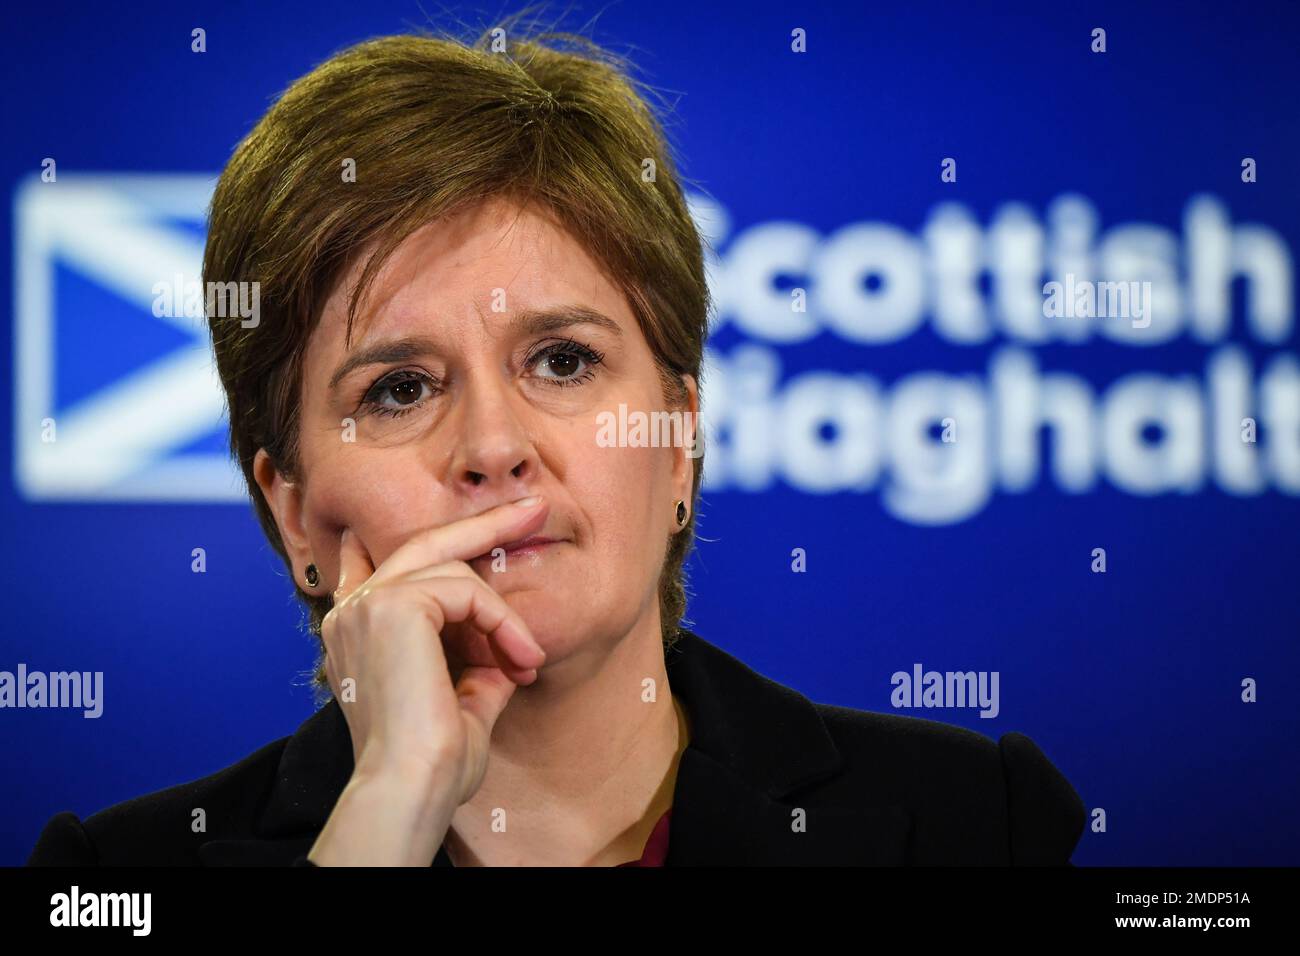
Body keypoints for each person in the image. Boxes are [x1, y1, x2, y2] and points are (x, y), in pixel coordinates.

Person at [27, 18, 1084, 867]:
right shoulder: (117, 876)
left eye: (564, 362)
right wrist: (386, 810)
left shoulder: (969, 824)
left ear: (679, 439)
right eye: (400, 387)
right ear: (292, 509)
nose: (494, 445)